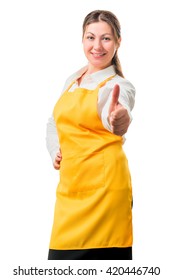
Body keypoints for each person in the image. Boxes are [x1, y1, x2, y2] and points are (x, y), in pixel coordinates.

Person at [46, 9, 135, 260]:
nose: (97, 46)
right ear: (82, 39)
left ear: (118, 42)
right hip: (71, 189)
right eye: (90, 37)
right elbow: (53, 122)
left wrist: (119, 120)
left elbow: (117, 114)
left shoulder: (118, 85)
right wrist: (55, 150)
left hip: (106, 194)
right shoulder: (73, 80)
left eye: (106, 38)